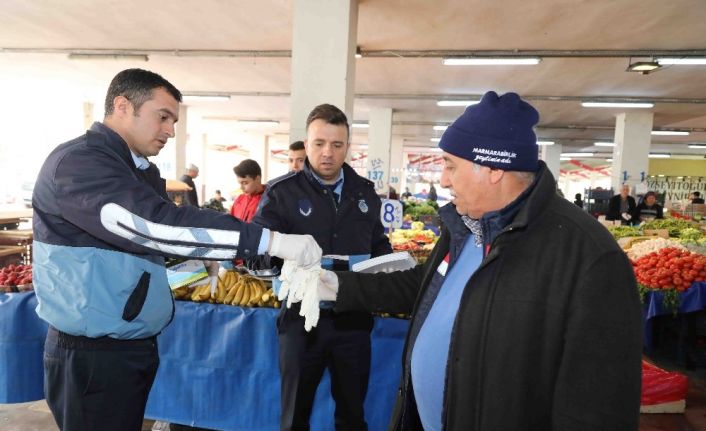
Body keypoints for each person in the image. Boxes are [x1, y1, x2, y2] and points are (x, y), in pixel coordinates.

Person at [313, 91, 642, 430]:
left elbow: (599, 409)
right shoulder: (467, 225)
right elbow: (422, 287)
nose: (442, 179)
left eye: (451, 166)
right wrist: (338, 286)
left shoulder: (587, 258)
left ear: (493, 168)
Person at [31, 68, 322, 431]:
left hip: (127, 342)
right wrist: (271, 241)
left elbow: (149, 239)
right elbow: (152, 226)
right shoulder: (80, 164)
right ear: (123, 106)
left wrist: (198, 254)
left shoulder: (135, 169)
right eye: (163, 117)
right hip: (93, 352)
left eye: (174, 120)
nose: (170, 130)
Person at [253, 104, 392, 431]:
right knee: (295, 416)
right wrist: (283, 252)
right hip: (301, 320)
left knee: (352, 415)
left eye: (337, 144)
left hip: (354, 320)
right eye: (319, 143)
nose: (327, 152)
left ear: (348, 147)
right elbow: (255, 253)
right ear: (307, 143)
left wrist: (390, 264)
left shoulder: (365, 193)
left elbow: (378, 243)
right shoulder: (282, 194)